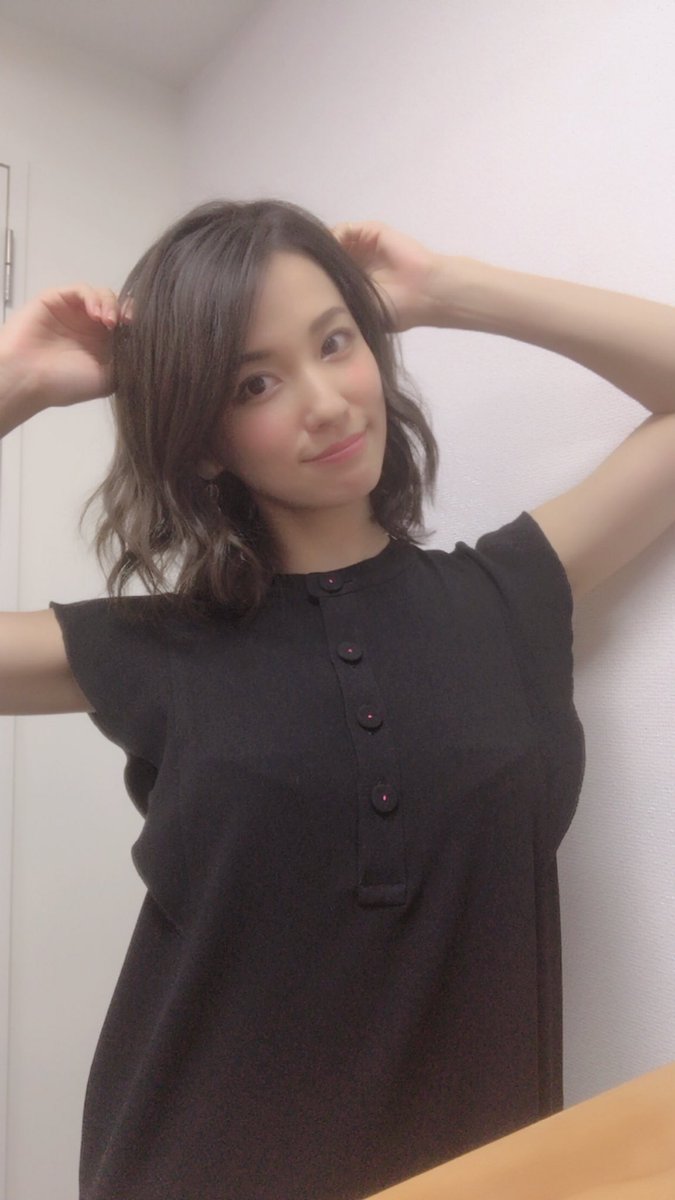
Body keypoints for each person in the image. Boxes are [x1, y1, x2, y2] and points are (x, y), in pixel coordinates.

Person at [0, 198, 592, 1199]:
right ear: (204, 441)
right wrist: (15, 379)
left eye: (335, 341)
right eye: (255, 382)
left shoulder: (507, 591)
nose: (324, 402)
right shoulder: (160, 648)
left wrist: (448, 289)